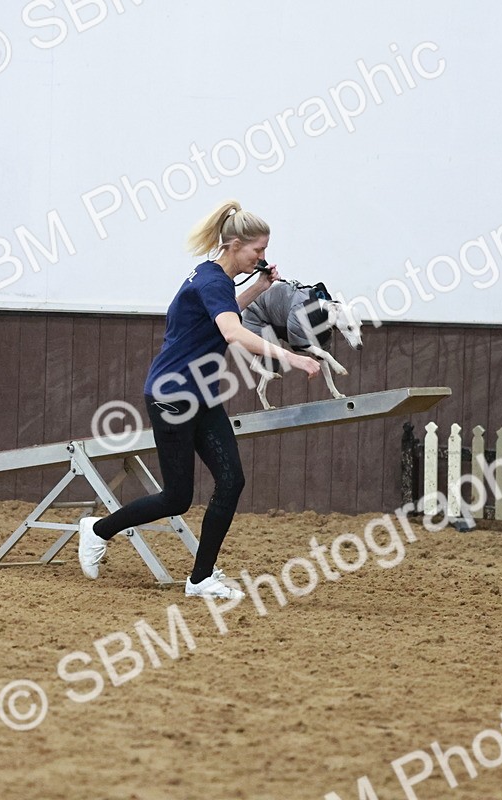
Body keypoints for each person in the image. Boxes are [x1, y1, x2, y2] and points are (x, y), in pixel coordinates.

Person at [78, 200, 321, 599]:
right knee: (177, 497)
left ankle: (201, 578)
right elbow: (232, 333)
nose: (263, 257)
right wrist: (291, 356)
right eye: (257, 251)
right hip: (172, 395)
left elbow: (222, 315)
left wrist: (258, 289)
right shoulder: (212, 281)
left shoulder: (214, 279)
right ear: (235, 244)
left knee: (231, 480)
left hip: (201, 393)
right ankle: (98, 529)